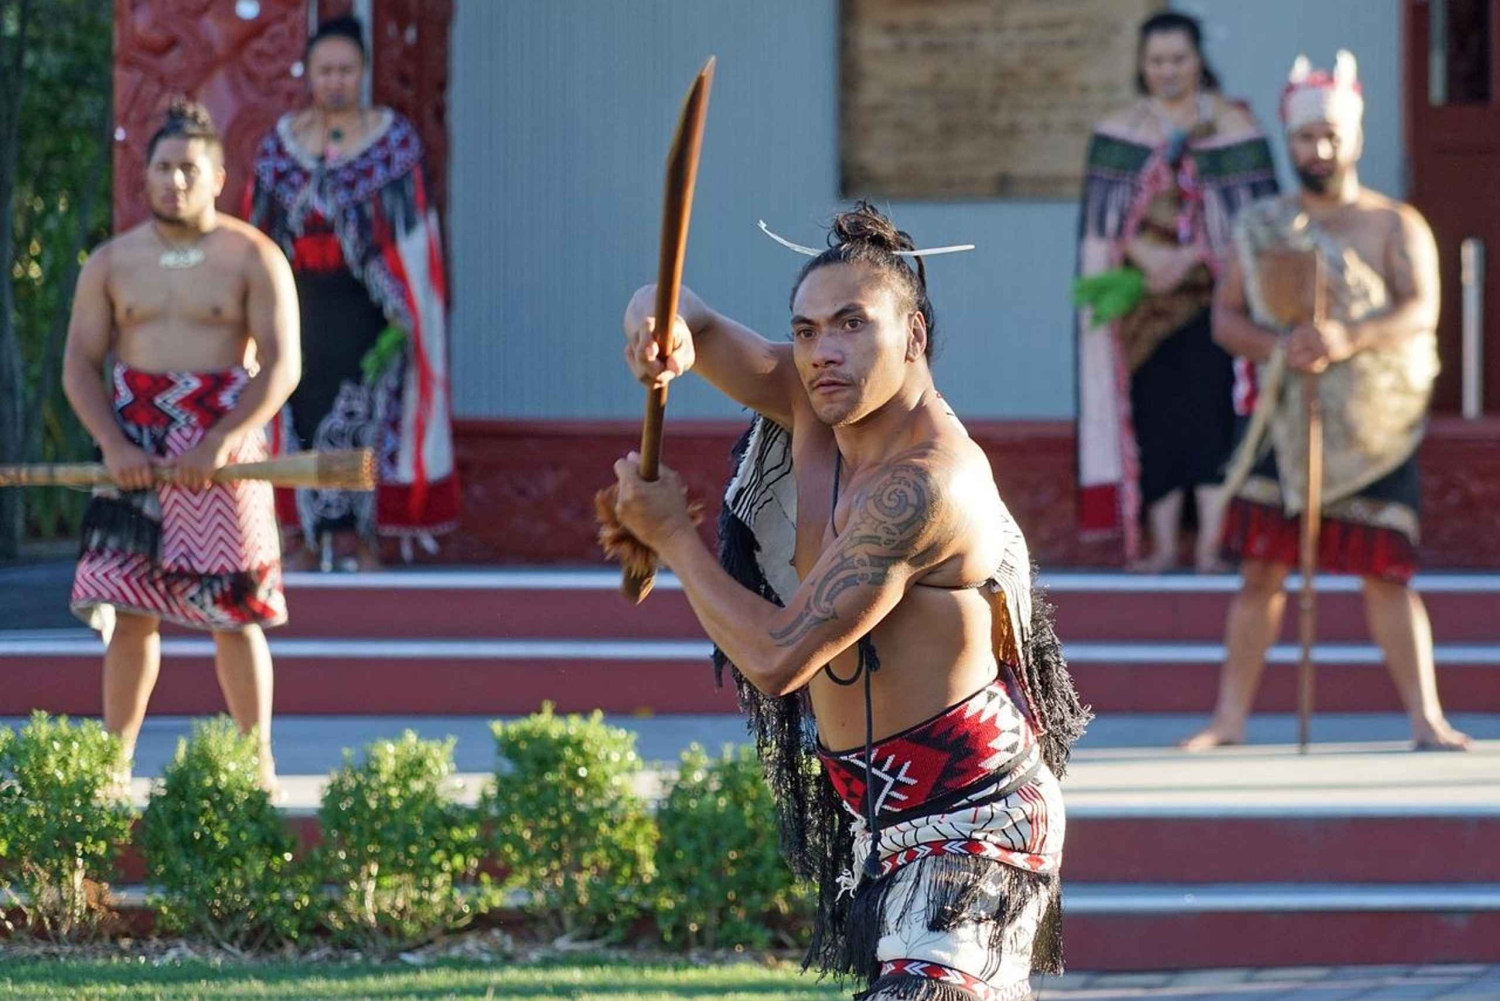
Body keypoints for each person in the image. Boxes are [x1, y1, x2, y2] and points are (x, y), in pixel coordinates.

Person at [610, 204, 1090, 1001]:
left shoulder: (925, 484)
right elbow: (671, 303)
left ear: (914, 337)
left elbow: (775, 659)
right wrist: (661, 331)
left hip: (977, 822)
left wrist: (673, 539)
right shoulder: (814, 402)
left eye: (849, 325)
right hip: (885, 822)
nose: (821, 352)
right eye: (803, 331)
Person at [1182, 51, 1470, 752]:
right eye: (1307, 137)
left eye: (1331, 136)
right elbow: (1226, 321)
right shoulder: (1263, 225)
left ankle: (1426, 719)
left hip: (1373, 423)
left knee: (1386, 572)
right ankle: (1229, 720)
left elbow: (1421, 310)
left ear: (1355, 138)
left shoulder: (1394, 224)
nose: (1319, 149)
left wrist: (1346, 335)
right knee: (1261, 571)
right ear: (1291, 141)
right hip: (1285, 416)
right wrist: (1284, 346)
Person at [64, 100, 301, 793]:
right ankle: (113, 766)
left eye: (188, 168)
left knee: (236, 612)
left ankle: (256, 763)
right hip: (132, 445)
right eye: (163, 168)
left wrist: (222, 440)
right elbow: (81, 363)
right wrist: (111, 441)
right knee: (130, 610)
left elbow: (283, 364)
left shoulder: (253, 255)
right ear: (146, 175)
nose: (175, 181)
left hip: (225, 451)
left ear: (218, 175)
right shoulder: (112, 261)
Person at [245, 15, 456, 572]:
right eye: (325, 70)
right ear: (309, 74)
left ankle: (364, 537)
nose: (335, 80)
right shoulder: (281, 147)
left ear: (362, 73)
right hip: (299, 310)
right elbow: (257, 236)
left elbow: (415, 241)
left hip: (371, 313)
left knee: (367, 420)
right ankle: (302, 536)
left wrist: (404, 314)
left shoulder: (394, 143)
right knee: (299, 417)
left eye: (345, 70)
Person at [1075, 11, 1278, 572]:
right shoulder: (1119, 131)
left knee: (1213, 418)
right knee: (1156, 418)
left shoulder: (1236, 126)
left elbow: (1257, 220)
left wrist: (1192, 255)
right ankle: (1162, 547)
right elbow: (1101, 226)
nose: (1167, 71)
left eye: (1178, 59)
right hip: (1140, 307)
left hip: (1216, 302)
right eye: (1156, 61)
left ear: (1198, 60)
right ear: (1142, 66)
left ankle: (1212, 547)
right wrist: (1143, 255)